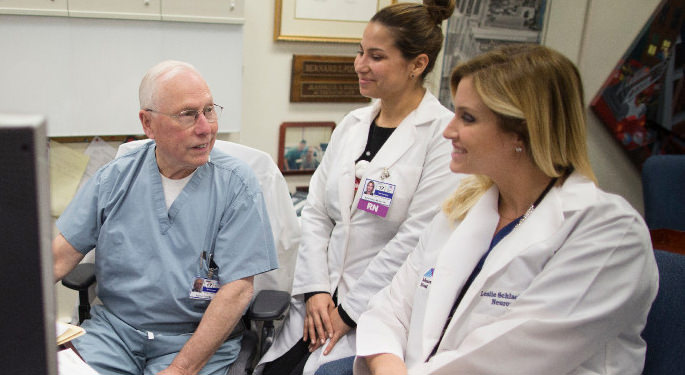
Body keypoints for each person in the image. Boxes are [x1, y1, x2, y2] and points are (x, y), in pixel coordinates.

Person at [353, 44, 659, 375]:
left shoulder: (609, 233)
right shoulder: (463, 208)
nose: (448, 130)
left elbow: (506, 362)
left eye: (467, 118)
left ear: (522, 133)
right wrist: (388, 366)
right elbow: (388, 310)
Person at [256, 1, 462, 374]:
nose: (360, 65)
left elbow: (417, 237)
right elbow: (317, 211)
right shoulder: (352, 124)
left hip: (377, 311)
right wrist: (316, 288)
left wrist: (350, 311)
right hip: (318, 303)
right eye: (360, 51)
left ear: (418, 64)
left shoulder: (441, 136)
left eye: (377, 56)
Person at [52, 60, 278, 375]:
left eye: (209, 110)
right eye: (188, 115)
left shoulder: (235, 184)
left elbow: (237, 289)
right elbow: (57, 258)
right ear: (148, 124)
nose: (206, 128)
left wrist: (181, 369)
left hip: (194, 341)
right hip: (114, 334)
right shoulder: (116, 177)